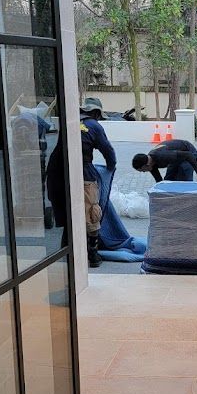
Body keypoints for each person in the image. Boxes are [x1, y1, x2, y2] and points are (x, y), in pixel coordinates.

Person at [46, 97, 117, 269]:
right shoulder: (94, 125)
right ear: (95, 113)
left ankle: (66, 248)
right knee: (91, 210)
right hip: (82, 172)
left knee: (67, 210)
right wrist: (111, 166)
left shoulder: (69, 122)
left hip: (56, 173)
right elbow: (108, 151)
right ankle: (92, 254)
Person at [132, 140, 197, 183]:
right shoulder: (151, 164)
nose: (144, 172)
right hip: (174, 158)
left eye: (142, 170)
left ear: (146, 165)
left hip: (187, 151)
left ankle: (187, 202)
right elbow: (159, 181)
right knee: (168, 180)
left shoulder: (162, 156)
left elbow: (188, 155)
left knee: (184, 180)